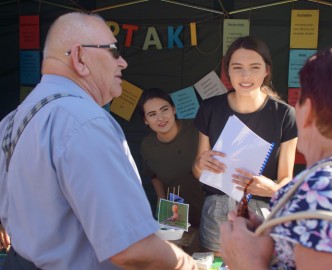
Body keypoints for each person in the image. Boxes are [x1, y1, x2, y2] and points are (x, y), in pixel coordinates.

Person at [0, 12, 197, 270]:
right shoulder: (84, 121)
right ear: (80, 58)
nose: (123, 62)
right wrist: (190, 266)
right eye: (114, 51)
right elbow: (131, 248)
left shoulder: (13, 119)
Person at [220, 39, 332, 269]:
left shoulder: (325, 189)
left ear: (309, 111)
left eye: (299, 100)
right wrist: (273, 235)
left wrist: (246, 260)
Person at [192, 36, 298, 253]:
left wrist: (273, 189)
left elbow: (287, 179)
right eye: (237, 67)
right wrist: (201, 164)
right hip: (217, 211)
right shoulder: (210, 109)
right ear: (227, 71)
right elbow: (197, 171)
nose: (246, 75)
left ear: (266, 70)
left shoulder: (284, 114)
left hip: (261, 211)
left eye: (254, 67)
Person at [139, 88, 205, 228]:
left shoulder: (197, 129)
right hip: (176, 211)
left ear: (174, 109)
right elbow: (154, 176)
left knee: (212, 248)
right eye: (152, 114)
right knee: (179, 248)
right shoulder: (148, 146)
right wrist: (163, 206)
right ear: (145, 120)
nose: (161, 118)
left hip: (209, 204)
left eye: (164, 109)